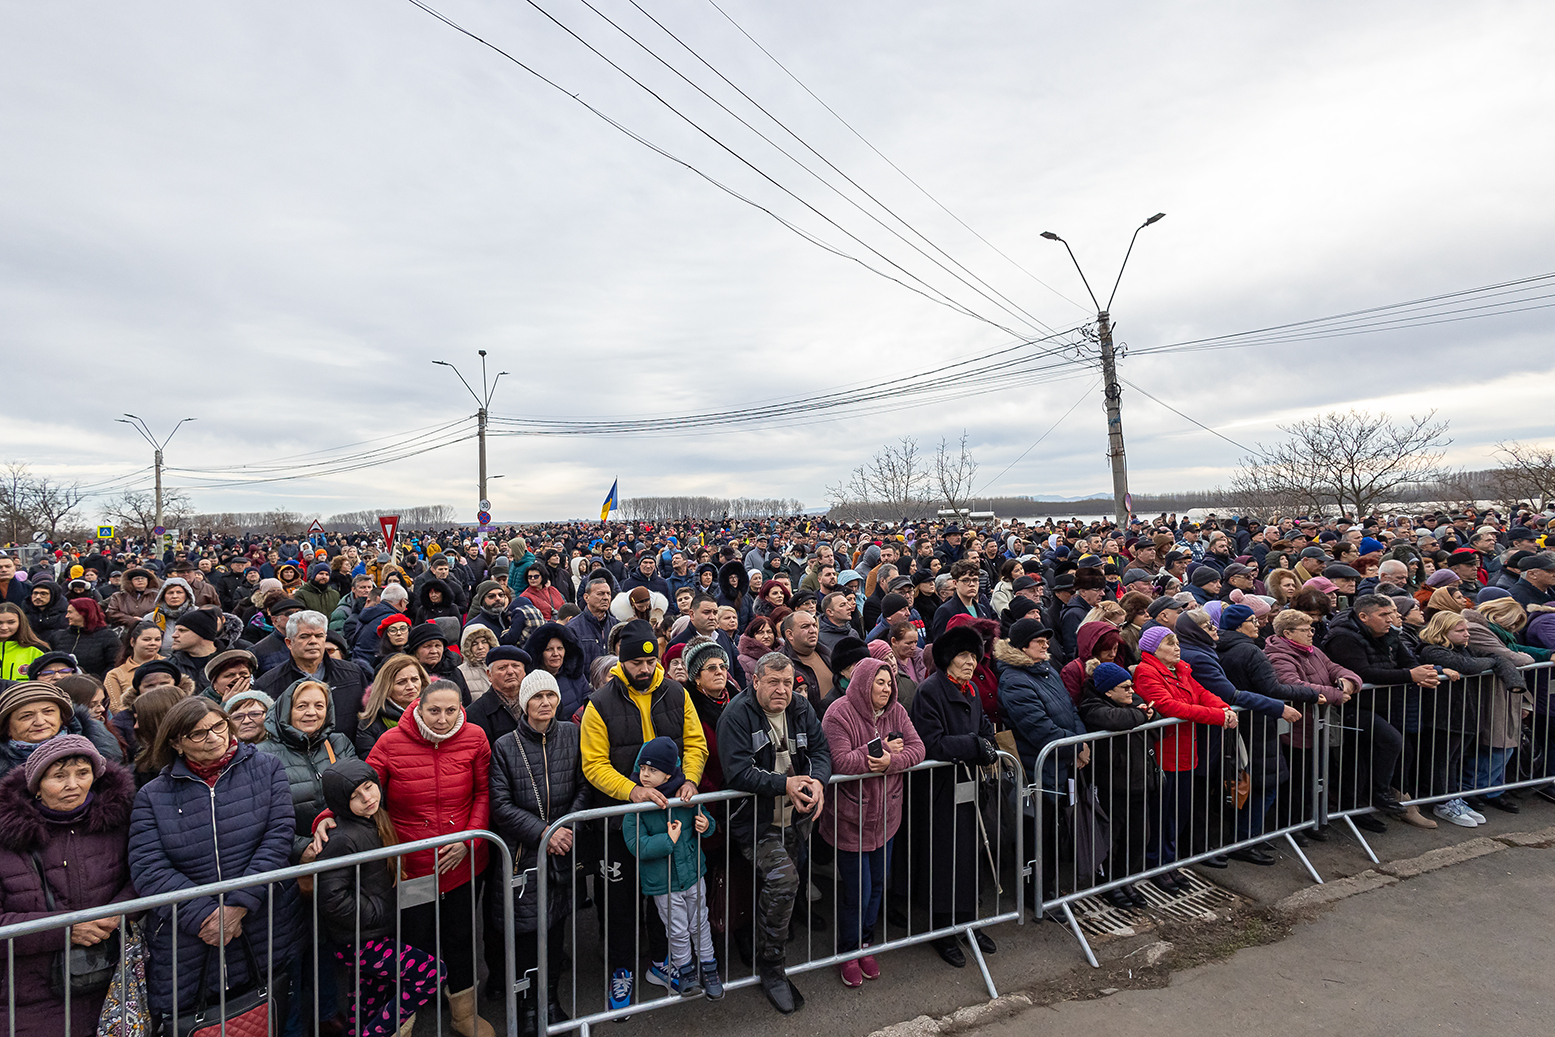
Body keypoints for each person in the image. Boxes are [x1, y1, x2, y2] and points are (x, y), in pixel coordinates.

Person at [128, 697, 300, 1027]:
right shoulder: (153, 795)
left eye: (219, 725)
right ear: (176, 743)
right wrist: (205, 916)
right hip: (190, 938)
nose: (214, 737)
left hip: (262, 923)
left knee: (272, 1015)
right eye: (198, 733)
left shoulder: (267, 768)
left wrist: (239, 905)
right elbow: (148, 866)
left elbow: (278, 838)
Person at [578, 619, 706, 1011]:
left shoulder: (677, 693)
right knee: (620, 902)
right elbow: (594, 764)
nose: (645, 669)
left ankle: (661, 962)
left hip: (667, 819)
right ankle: (621, 970)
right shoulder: (599, 704)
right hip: (622, 820)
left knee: (663, 897)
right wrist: (632, 791)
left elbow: (695, 743)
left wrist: (690, 780)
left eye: (650, 662)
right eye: (637, 663)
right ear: (622, 661)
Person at [357, 678, 493, 1037]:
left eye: (450, 711)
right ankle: (403, 1017)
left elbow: (483, 793)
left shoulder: (475, 737)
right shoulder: (390, 742)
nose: (442, 719)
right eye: (434, 710)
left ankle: (463, 1014)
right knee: (414, 941)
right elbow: (363, 788)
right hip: (413, 865)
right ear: (419, 708)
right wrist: (327, 817)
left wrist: (469, 840)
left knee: (461, 937)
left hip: (463, 862)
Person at [0, 734, 137, 1037]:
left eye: (83, 773)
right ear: (36, 786)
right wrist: (65, 929)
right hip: (29, 997)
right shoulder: (6, 838)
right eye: (59, 776)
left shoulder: (120, 822)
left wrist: (118, 912)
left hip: (112, 985)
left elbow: (141, 877)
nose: (72, 785)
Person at [717, 652, 831, 1014]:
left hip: (795, 819)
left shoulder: (801, 706)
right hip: (756, 822)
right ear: (755, 681)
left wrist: (818, 780)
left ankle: (762, 942)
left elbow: (820, 750)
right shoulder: (736, 715)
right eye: (773, 682)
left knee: (782, 886)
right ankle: (771, 966)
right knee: (784, 881)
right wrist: (786, 784)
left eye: (787, 682)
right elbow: (738, 772)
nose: (782, 690)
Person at [487, 668, 587, 1032]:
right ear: (525, 703)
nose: (545, 703)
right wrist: (544, 833)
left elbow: (584, 786)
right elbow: (501, 805)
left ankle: (550, 1003)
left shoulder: (573, 735)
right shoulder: (505, 745)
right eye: (537, 697)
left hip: (562, 849)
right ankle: (527, 1010)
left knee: (555, 931)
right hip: (523, 855)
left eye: (550, 696)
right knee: (526, 935)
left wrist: (566, 827)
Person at [315, 759, 443, 1037]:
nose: (367, 798)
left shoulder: (375, 820)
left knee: (366, 1007)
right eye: (355, 795)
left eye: (368, 787)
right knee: (431, 973)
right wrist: (376, 912)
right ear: (340, 802)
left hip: (372, 934)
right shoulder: (342, 838)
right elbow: (332, 898)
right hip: (361, 940)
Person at [818, 657, 923, 986]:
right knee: (857, 891)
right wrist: (876, 752)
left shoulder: (897, 712)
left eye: (889, 682)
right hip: (851, 819)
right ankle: (847, 950)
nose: (887, 688)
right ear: (864, 683)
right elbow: (839, 761)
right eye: (880, 682)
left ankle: (865, 942)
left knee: (878, 884)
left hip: (887, 817)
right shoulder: (838, 713)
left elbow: (918, 749)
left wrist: (892, 761)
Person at [906, 622, 1000, 968]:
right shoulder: (930, 691)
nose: (970, 663)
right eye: (963, 656)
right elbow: (932, 743)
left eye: (973, 657)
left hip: (970, 785)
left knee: (970, 856)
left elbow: (986, 730)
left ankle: (968, 922)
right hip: (941, 790)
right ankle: (943, 931)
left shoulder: (971, 690)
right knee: (944, 860)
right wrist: (975, 746)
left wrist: (984, 744)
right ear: (947, 658)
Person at [1131, 626, 1234, 890]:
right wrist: (1217, 716)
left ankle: (1170, 861)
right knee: (1161, 814)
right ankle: (1156, 864)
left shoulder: (1181, 670)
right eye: (1170, 643)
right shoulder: (1147, 672)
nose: (1177, 647)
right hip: (1165, 755)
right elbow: (1168, 706)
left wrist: (1224, 708)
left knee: (1178, 812)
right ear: (1154, 649)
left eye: (1177, 641)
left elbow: (1202, 693)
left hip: (1186, 753)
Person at [622, 737, 723, 1000]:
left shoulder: (684, 797)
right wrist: (668, 840)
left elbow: (706, 820)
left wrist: (706, 825)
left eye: (652, 770)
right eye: (642, 768)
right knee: (677, 930)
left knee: (700, 923)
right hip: (663, 883)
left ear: (668, 773)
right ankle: (685, 972)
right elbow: (636, 845)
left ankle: (709, 968)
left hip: (693, 874)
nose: (645, 775)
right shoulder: (636, 806)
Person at [993, 617, 1085, 900]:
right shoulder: (1014, 680)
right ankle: (1037, 895)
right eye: (1039, 641)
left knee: (1052, 833)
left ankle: (1049, 889)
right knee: (1037, 837)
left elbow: (1070, 709)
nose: (1046, 645)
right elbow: (1038, 728)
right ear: (1023, 646)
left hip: (1058, 763)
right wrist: (1075, 747)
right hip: (1036, 770)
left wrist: (1082, 741)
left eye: (1047, 641)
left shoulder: (1046, 670)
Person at [1076, 662, 1156, 908]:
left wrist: (1146, 714)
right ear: (1109, 691)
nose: (1132, 691)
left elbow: (1157, 719)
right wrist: (1142, 715)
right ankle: (1108, 883)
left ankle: (1126, 880)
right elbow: (1115, 719)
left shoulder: (1133, 701)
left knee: (1139, 837)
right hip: (1112, 784)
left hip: (1140, 782)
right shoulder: (1092, 706)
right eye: (1125, 687)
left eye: (1131, 686)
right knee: (1111, 838)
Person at [256, 610, 369, 745]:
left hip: (348, 753)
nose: (313, 641)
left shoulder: (353, 674)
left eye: (319, 636)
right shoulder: (268, 684)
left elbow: (366, 720)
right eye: (304, 636)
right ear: (289, 643)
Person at [0, 680, 123, 781]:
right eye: (26, 716)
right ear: (8, 728)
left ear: (61, 718)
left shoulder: (101, 751)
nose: (40, 721)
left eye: (48, 711)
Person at [356, 655, 429, 756]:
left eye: (414, 679)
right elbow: (370, 761)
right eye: (401, 682)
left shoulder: (436, 714)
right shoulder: (369, 723)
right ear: (386, 687)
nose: (411, 686)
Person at [523, 621, 593, 721]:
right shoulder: (531, 682)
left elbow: (588, 704)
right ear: (539, 653)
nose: (556, 654)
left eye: (560, 648)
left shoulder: (576, 675)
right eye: (549, 649)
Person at [47, 597, 120, 679]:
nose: (67, 616)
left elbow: (115, 665)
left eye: (70, 612)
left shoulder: (108, 637)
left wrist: (97, 681)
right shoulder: (58, 636)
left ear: (84, 613)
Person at [105, 620, 166, 710]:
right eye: (146, 639)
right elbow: (115, 708)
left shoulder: (170, 664)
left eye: (157, 639)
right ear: (132, 642)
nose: (153, 643)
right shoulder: (115, 674)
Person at [0, 604, 48, 682]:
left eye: (11, 622)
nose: (4, 627)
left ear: (21, 623)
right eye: (0, 622)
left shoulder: (36, 650)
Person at [459, 624, 498, 698]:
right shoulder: (460, 672)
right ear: (468, 648)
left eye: (484, 642)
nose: (480, 647)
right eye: (474, 644)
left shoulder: (500, 667)